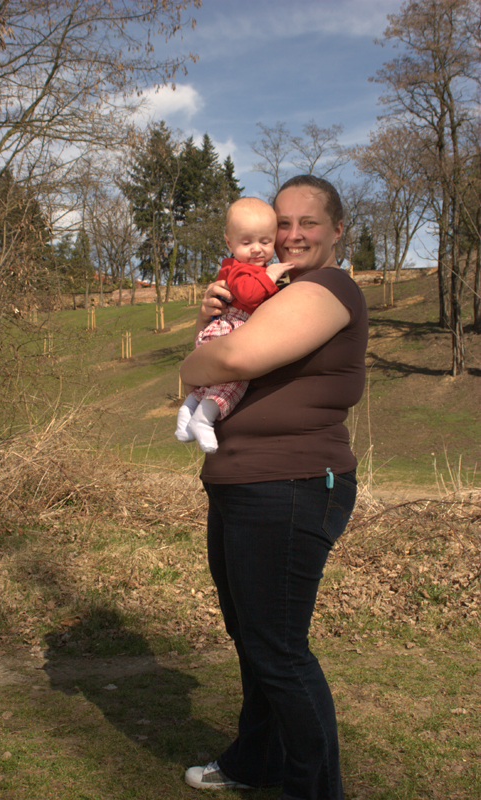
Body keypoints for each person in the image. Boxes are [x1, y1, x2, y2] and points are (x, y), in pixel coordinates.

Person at [179, 175, 368, 800]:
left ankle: (314, 789)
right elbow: (216, 358)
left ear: (337, 229)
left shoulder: (327, 288)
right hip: (240, 482)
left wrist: (192, 361)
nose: (291, 235)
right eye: (282, 223)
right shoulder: (268, 292)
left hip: (290, 483)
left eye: (308, 222)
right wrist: (208, 326)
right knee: (254, 640)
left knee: (278, 650)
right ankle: (255, 761)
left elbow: (228, 362)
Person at [175, 197, 290, 453]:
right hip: (231, 327)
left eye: (265, 242)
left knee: (214, 383)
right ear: (229, 243)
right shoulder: (240, 269)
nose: (257, 249)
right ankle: (204, 419)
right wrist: (271, 276)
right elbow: (249, 295)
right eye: (247, 243)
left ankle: (188, 412)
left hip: (224, 328)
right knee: (234, 381)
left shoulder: (249, 267)